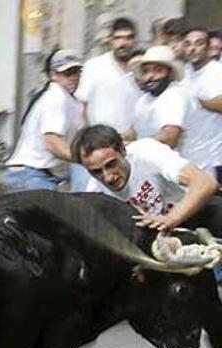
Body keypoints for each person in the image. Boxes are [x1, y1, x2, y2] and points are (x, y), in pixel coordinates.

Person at [73, 124, 216, 232]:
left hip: (194, 211)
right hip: (161, 235)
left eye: (111, 164)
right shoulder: (96, 192)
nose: (108, 177)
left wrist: (171, 218)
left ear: (123, 150)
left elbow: (205, 182)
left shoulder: (146, 152)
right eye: (96, 172)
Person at [5, 50, 84, 191]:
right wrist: (85, 159)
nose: (73, 77)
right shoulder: (56, 97)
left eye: (76, 72)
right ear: (53, 75)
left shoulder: (71, 101)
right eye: (67, 73)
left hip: (38, 175)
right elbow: (52, 143)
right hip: (32, 175)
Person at [75, 17, 140, 134]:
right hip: (100, 142)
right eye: (118, 38)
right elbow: (81, 106)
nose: (123, 43)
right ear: (110, 40)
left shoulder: (141, 68)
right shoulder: (94, 66)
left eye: (128, 38)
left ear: (134, 41)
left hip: (133, 142)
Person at [125, 45, 189, 150]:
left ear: (169, 73)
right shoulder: (145, 99)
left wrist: (132, 147)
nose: (150, 76)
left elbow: (169, 138)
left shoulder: (175, 95)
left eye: (158, 70)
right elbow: (134, 131)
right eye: (146, 71)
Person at [181, 27, 222, 175]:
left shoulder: (217, 71)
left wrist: (198, 101)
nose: (192, 48)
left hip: (215, 158)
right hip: (191, 155)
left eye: (198, 43)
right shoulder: (186, 71)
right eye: (188, 44)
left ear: (208, 48)